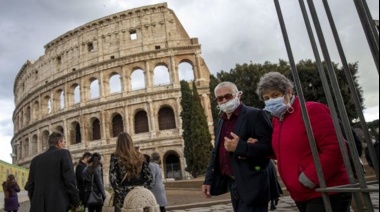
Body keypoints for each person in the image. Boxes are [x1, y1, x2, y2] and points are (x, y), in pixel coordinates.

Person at [256, 72, 352, 212]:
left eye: (275, 95)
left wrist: (310, 177)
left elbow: (336, 148)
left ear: (288, 91)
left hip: (326, 190)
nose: (270, 100)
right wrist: (255, 145)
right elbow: (284, 151)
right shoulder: (277, 120)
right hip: (301, 194)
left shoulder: (311, 110)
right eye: (266, 98)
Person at [202, 81, 273, 212]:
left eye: (228, 96)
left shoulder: (255, 115)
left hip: (253, 183)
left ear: (238, 95)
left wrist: (241, 146)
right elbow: (216, 152)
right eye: (219, 98)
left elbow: (270, 148)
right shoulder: (221, 121)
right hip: (233, 183)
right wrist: (208, 179)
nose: (224, 100)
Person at [25, 131, 80, 212]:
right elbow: (70, 181)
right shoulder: (63, 153)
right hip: (58, 205)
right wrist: (76, 203)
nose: (64, 145)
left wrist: (34, 202)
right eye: (63, 142)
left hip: (37, 207)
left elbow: (30, 186)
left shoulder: (35, 160)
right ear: (59, 142)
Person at [109, 132, 153, 212]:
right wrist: (141, 189)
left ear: (118, 143)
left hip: (122, 200)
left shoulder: (115, 157)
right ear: (130, 142)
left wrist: (123, 194)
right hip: (140, 197)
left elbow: (113, 180)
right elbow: (149, 178)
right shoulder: (140, 156)